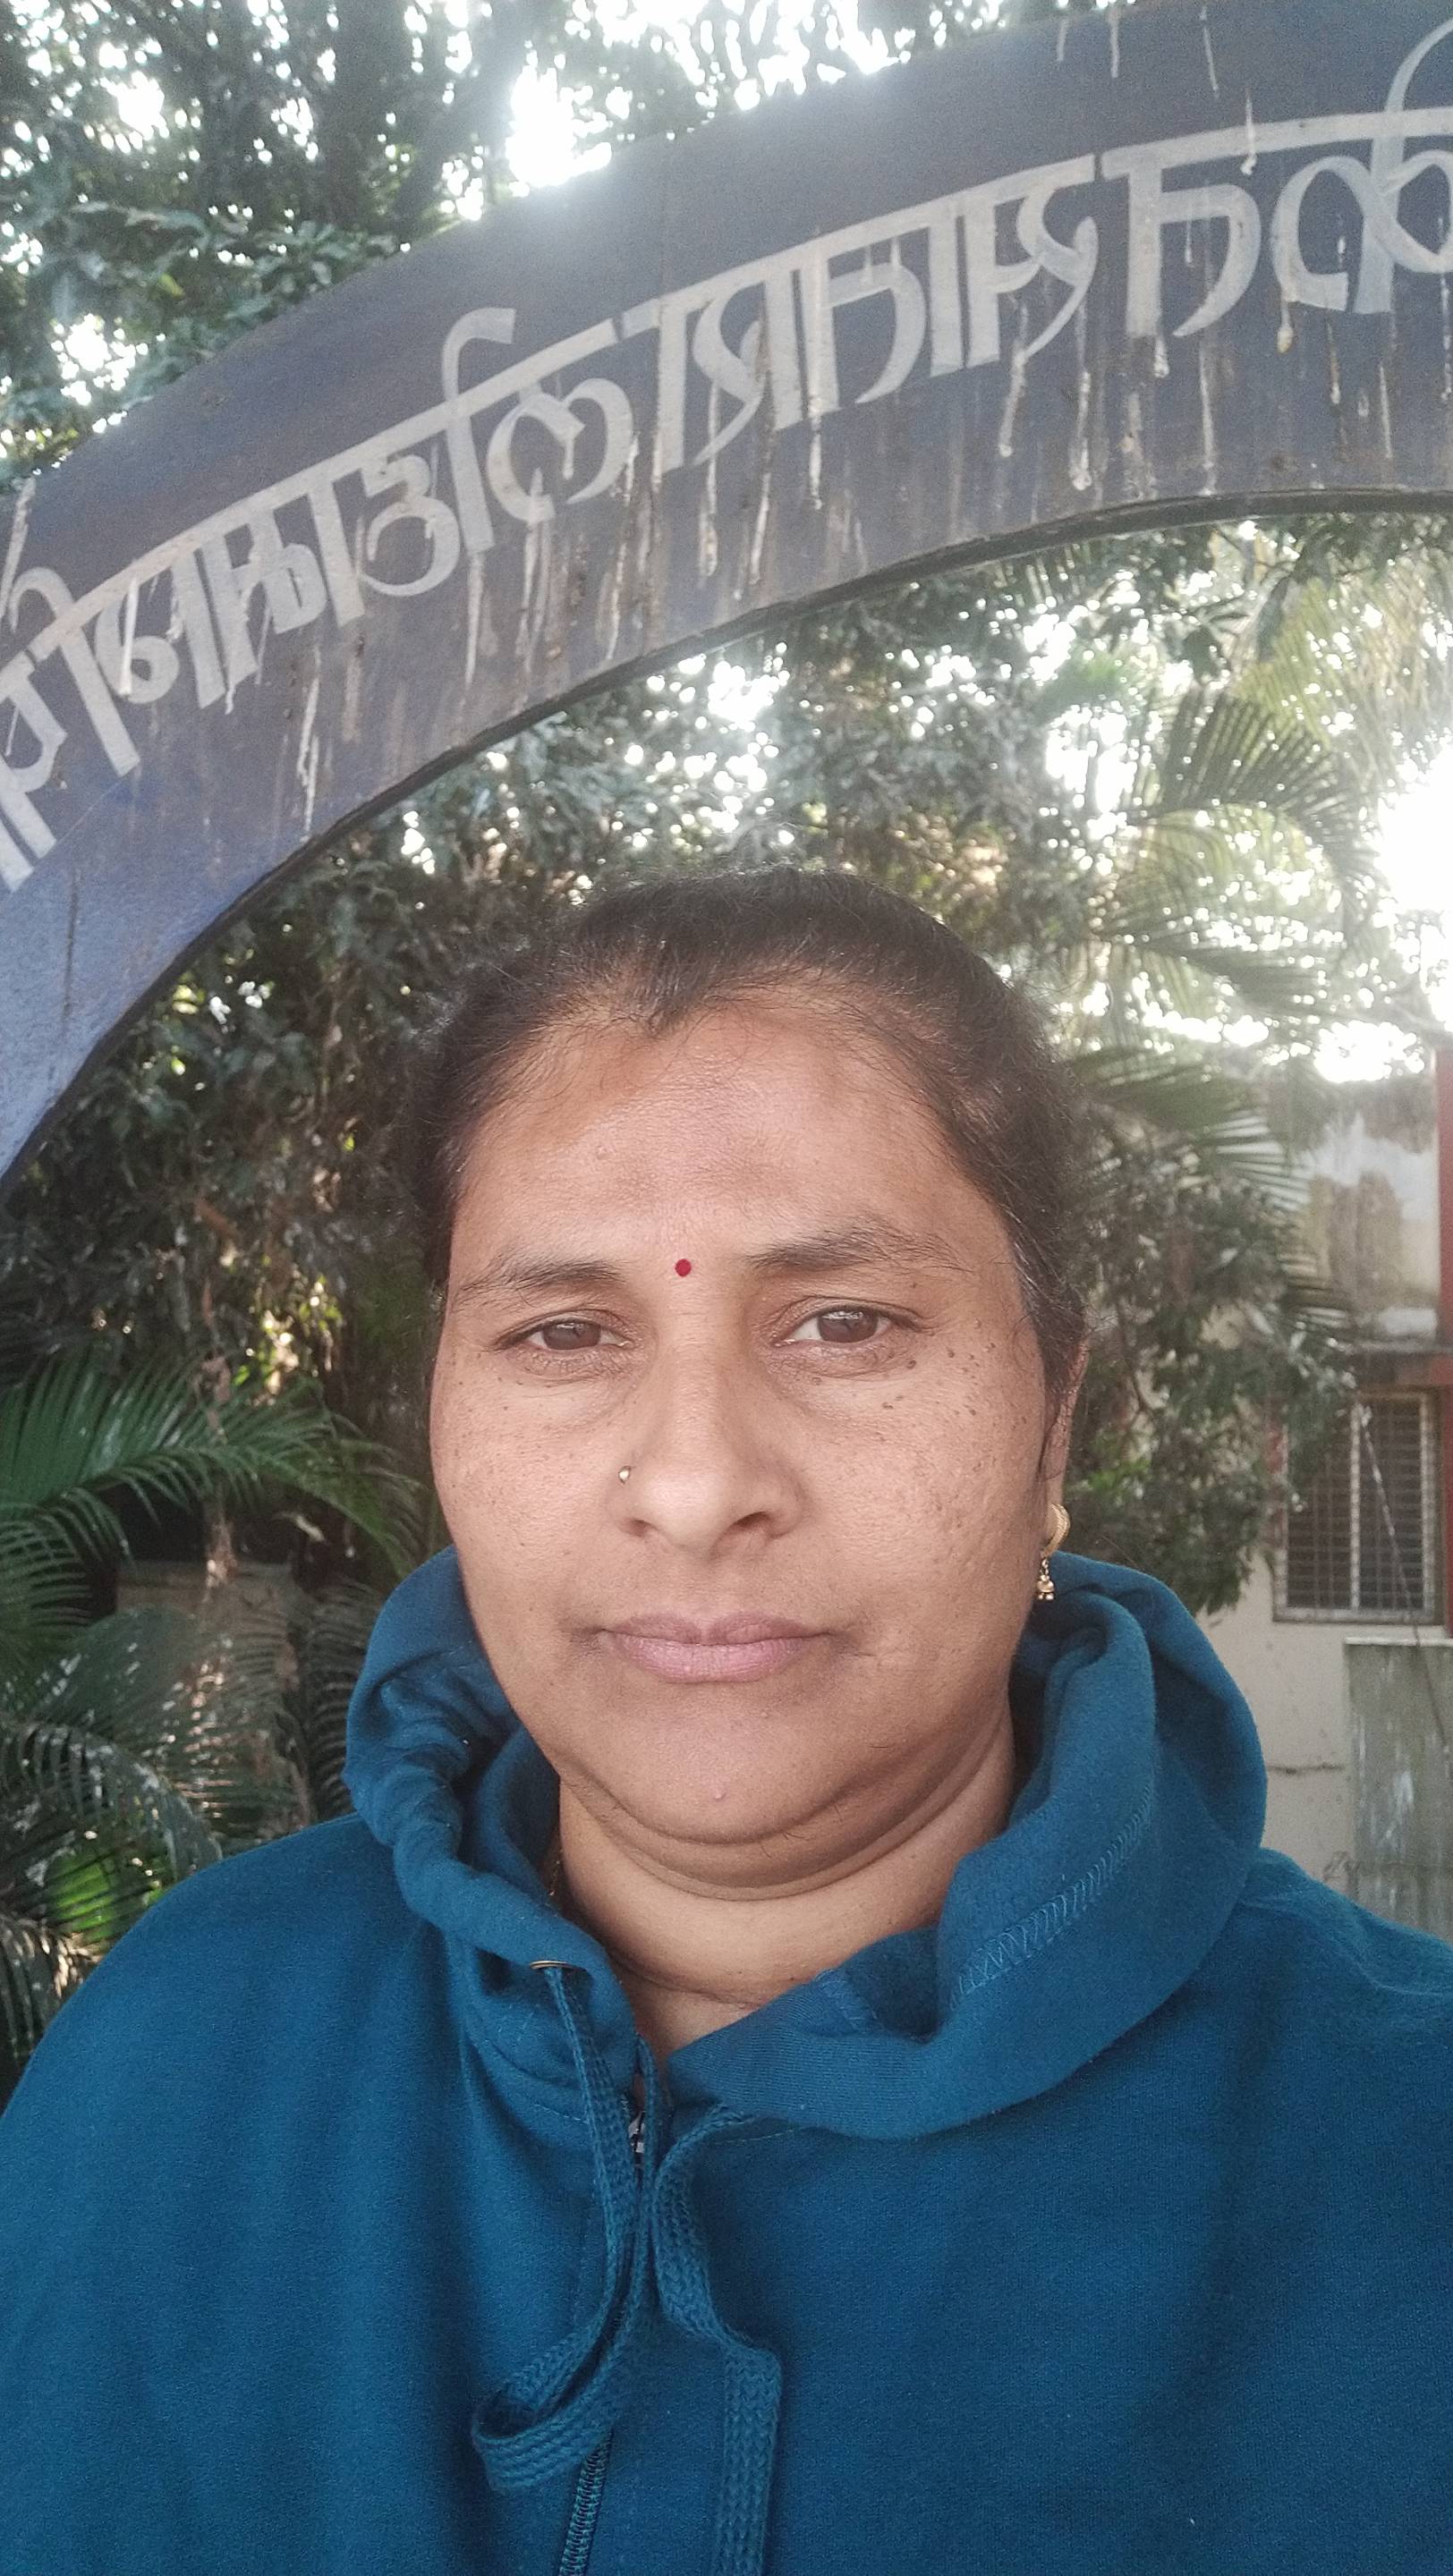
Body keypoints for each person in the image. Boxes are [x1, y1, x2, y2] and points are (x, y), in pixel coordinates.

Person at [2, 861, 1450, 2576]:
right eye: (564, 1330)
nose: (694, 1486)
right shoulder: (176, 2058)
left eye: (844, 1323)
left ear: (1055, 1410)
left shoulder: (1399, 2157)